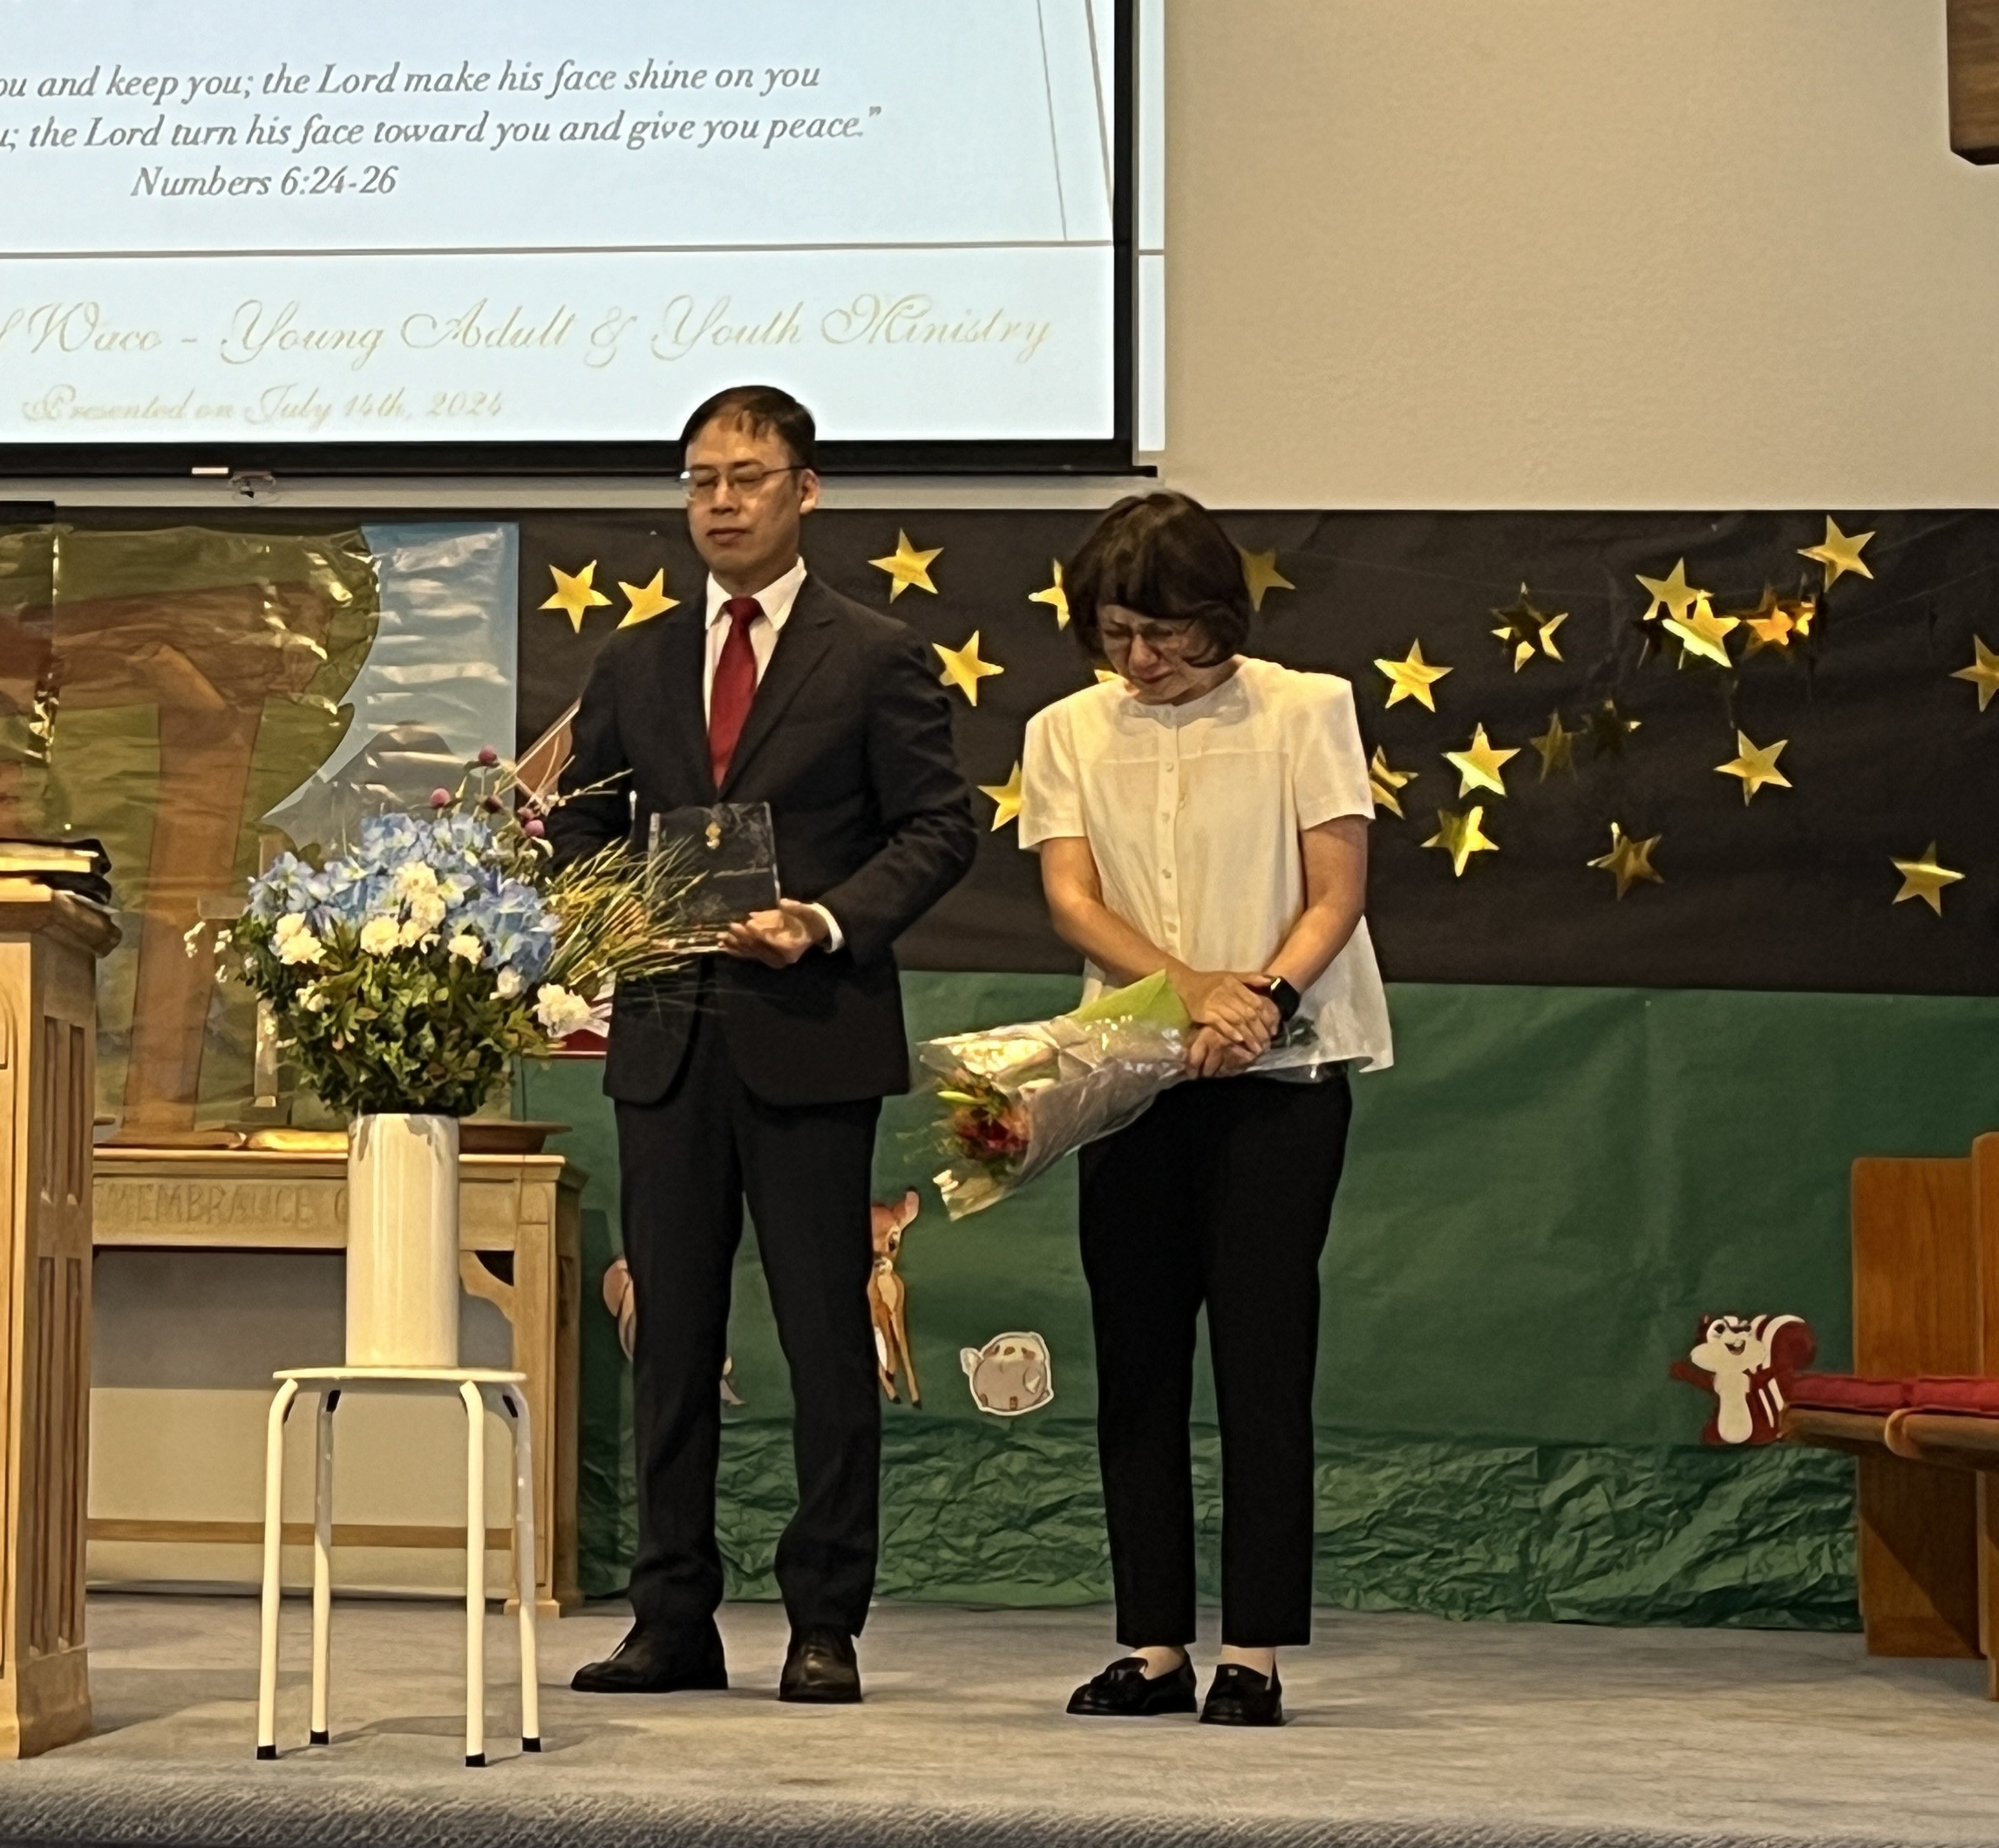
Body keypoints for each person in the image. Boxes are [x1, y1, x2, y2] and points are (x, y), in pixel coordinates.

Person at [547, 384, 978, 1705]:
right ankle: (670, 1615)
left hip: (811, 1036)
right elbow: (581, 825)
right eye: (701, 480)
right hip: (668, 1041)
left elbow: (939, 827)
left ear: (806, 490)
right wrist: (625, 908)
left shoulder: (876, 654)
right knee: (670, 1337)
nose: (721, 502)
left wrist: (827, 921)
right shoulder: (634, 663)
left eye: (747, 476)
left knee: (824, 1337)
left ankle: (824, 1619)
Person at [1017, 489, 1389, 1729]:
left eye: (1165, 632)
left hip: (1283, 1076)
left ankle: (1255, 1651)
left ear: (1219, 613)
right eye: (1117, 633)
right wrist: (1191, 994)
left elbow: (1335, 890)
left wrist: (1262, 1001)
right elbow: (1073, 900)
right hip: (1131, 1075)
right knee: (1136, 1358)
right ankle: (1153, 1644)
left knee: (1263, 1357)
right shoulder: (1066, 730)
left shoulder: (1306, 708)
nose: (1140, 659)